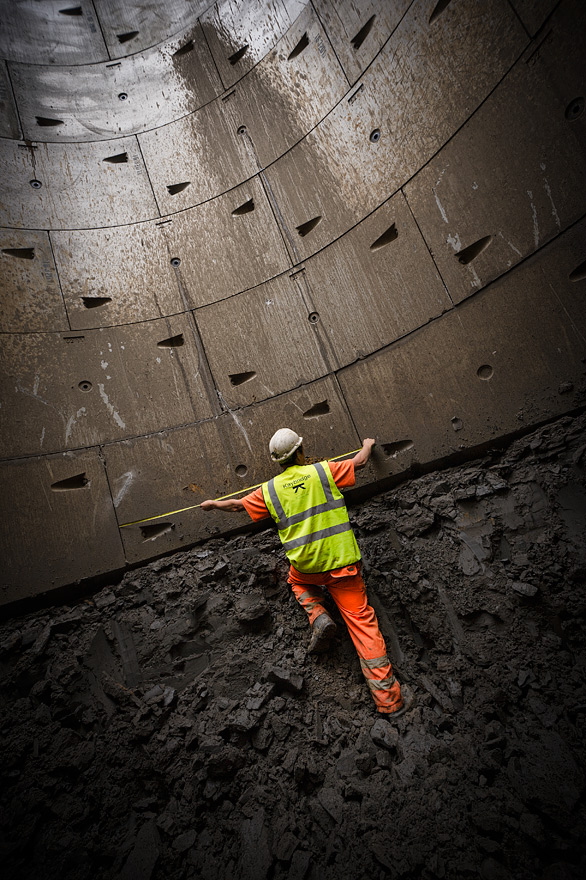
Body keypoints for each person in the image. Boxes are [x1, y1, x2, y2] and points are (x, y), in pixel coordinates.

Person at [201, 428, 413, 719]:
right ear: (300, 451)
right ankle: (390, 702)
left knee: (295, 582)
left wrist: (214, 505)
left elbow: (238, 506)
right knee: (363, 626)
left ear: (278, 461)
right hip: (342, 568)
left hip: (307, 569)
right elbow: (360, 463)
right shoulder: (323, 472)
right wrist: (367, 444)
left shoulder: (271, 490)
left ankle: (318, 615)